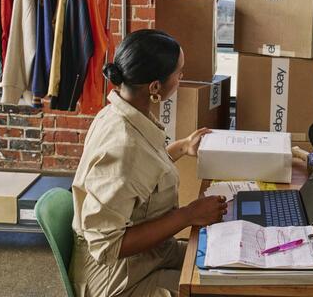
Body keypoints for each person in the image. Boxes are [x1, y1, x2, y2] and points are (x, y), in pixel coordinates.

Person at [70, 29, 227, 297]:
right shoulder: (122, 145)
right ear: (155, 87)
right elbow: (107, 245)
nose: (181, 78)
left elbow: (140, 174)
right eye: (179, 73)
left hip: (147, 254)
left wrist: (182, 146)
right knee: (217, 289)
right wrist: (188, 215)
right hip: (115, 279)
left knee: (222, 266)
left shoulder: (122, 112)